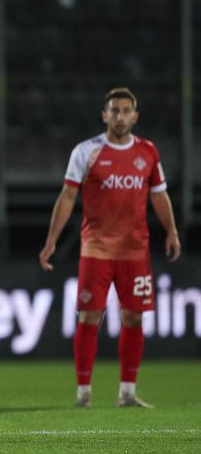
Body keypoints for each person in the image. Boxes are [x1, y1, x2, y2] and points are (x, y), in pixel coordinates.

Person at [39, 87, 180, 408]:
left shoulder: (147, 152)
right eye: (114, 110)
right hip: (96, 249)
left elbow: (159, 194)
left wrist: (171, 230)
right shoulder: (86, 151)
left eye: (126, 110)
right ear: (105, 115)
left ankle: (127, 392)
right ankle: (83, 392)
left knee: (133, 318)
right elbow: (68, 196)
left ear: (135, 116)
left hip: (135, 250)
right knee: (89, 316)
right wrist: (52, 240)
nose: (120, 116)